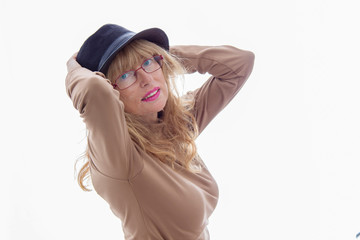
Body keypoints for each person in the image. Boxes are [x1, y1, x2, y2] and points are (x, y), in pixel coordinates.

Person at [66, 23, 255, 240]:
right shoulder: (119, 158)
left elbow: (240, 64)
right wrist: (74, 68)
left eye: (148, 63)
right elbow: (94, 90)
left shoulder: (176, 124)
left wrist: (162, 58)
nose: (147, 80)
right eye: (126, 76)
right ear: (111, 90)